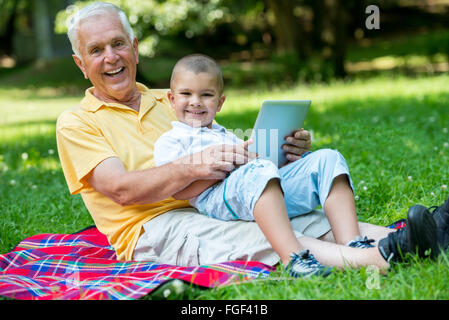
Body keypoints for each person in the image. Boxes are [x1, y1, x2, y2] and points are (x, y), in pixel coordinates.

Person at [56, 2, 447, 277]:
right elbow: (122, 191)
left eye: (118, 43)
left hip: (221, 198)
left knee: (306, 216)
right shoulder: (76, 123)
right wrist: (201, 164)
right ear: (80, 64)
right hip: (157, 225)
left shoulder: (171, 98)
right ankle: (386, 259)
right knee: (264, 234)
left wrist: (283, 152)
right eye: (96, 50)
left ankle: (432, 230)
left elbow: (231, 153)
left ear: (134, 47)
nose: (111, 57)